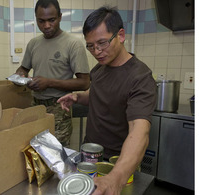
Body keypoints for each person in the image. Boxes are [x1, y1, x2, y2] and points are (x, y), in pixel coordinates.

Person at [57, 6, 157, 195]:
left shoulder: (140, 77)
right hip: (89, 156)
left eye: (102, 43)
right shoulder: (99, 70)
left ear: (120, 36)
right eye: (91, 46)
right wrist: (78, 97)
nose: (97, 51)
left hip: (118, 164)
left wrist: (116, 177)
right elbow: (100, 96)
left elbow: (139, 130)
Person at [15, 0, 90, 147]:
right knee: (35, 151)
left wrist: (49, 82)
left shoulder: (73, 44)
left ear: (60, 17)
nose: (46, 26)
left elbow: (84, 82)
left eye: (51, 20)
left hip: (59, 107)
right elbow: (23, 68)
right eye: (41, 21)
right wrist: (20, 76)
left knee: (57, 154)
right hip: (35, 106)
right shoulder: (33, 43)